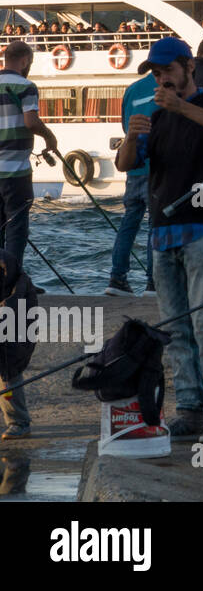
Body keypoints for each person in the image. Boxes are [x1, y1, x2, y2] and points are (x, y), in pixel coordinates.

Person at [115, 37, 203, 441]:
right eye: (157, 75)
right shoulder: (156, 118)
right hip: (163, 234)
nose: (162, 80)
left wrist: (181, 107)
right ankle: (191, 409)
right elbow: (128, 164)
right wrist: (130, 137)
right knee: (175, 328)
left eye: (168, 72)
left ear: (189, 68)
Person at [0, 42, 57, 279]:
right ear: (24, 60)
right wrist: (50, 138)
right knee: (16, 228)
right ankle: (12, 283)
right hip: (15, 171)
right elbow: (31, 122)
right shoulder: (25, 86)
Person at [106, 71, 158, 297]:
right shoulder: (166, 86)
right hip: (155, 166)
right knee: (154, 226)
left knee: (129, 223)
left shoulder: (132, 89)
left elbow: (126, 127)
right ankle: (152, 283)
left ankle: (117, 279)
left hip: (132, 165)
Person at [0, 247, 37, 440]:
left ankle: (19, 422)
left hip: (15, 329)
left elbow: (10, 308)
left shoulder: (12, 277)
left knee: (8, 372)